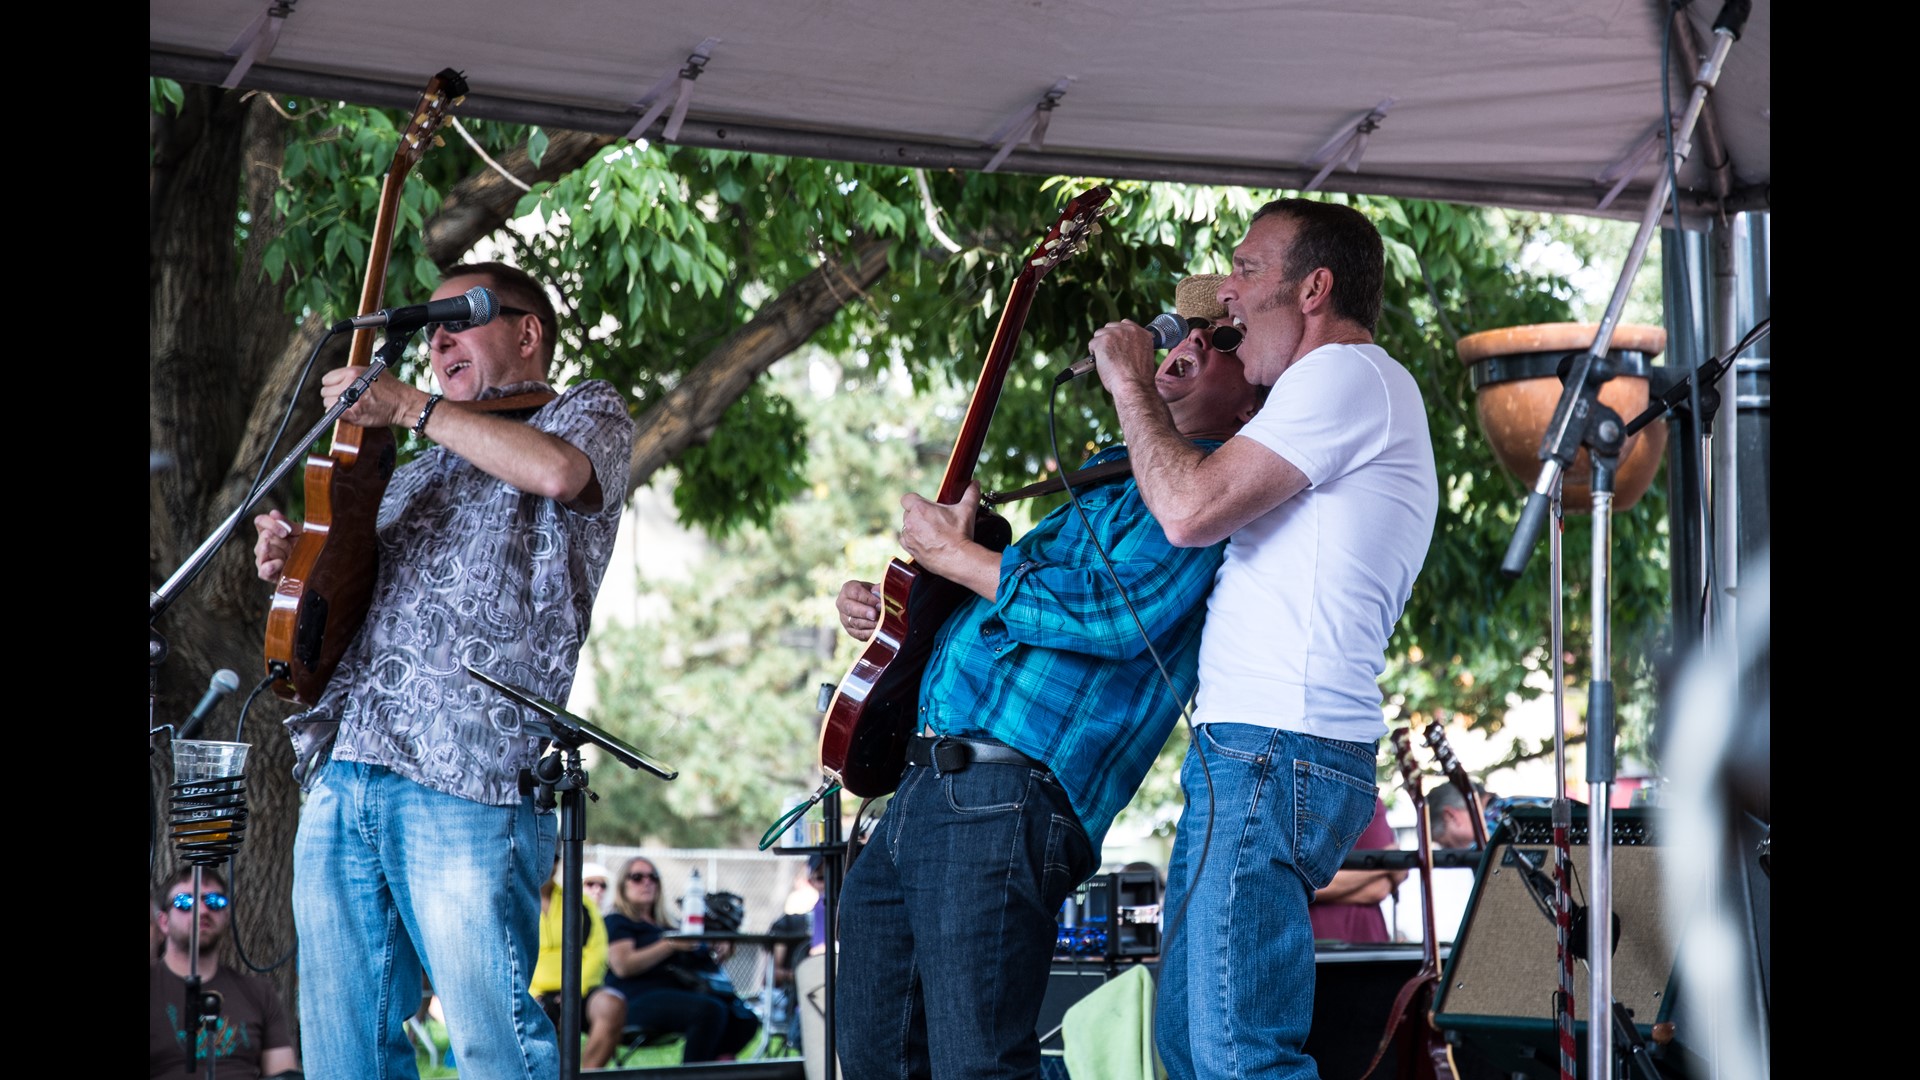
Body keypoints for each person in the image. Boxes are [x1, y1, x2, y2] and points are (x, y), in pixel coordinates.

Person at [830, 273, 1264, 1080]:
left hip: (1002, 796)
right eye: (1191, 329)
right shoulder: (1105, 483)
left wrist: (955, 555)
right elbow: (1010, 611)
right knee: (876, 1060)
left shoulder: (1201, 492)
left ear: (1253, 406)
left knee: (974, 1067)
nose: (1192, 340)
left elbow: (1107, 612)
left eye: (1226, 339)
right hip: (925, 788)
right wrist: (899, 608)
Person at [251, 260, 635, 1079]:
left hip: (472, 776)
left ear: (527, 333)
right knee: (344, 1048)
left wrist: (411, 408)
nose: (439, 340)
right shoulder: (416, 469)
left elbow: (560, 474)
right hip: (350, 759)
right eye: (432, 333)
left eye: (461, 318)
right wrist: (298, 562)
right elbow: (349, 599)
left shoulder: (586, 411)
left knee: (495, 1041)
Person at [1090, 198, 1440, 1079]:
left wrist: (1131, 385)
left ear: (1314, 287)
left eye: (1247, 271)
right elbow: (1194, 478)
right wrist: (1170, 404)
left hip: (1273, 743)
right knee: (1194, 1046)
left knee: (1237, 1053)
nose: (1228, 298)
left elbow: (1188, 509)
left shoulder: (1345, 375)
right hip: (1263, 746)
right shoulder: (1322, 399)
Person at [603, 856, 761, 1062]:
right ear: (623, 885)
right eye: (637, 877)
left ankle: (716, 1069)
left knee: (744, 1017)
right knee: (709, 1010)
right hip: (635, 999)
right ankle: (693, 1074)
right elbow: (623, 966)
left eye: (653, 877)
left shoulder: (671, 924)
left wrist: (717, 946)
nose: (647, 882)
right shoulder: (618, 921)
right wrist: (670, 945)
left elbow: (699, 958)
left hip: (679, 993)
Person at [150, 866, 300, 1080]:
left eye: (214, 901)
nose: (202, 910)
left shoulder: (258, 992)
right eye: (185, 902)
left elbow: (284, 1075)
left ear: (227, 916)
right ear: (163, 921)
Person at [533, 857, 629, 1070]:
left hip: (579, 990)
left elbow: (597, 951)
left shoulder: (579, 902)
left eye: (555, 857)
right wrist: (535, 992)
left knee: (612, 1004)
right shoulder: (514, 901)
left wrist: (572, 990)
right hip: (532, 993)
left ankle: (586, 1073)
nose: (550, 863)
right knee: (539, 1013)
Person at [1308, 796, 1405, 944]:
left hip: (1364, 941)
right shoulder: (1284, 798)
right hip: (1309, 942)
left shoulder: (1366, 799)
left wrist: (1307, 889)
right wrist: (1384, 864)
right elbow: (1286, 885)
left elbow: (1379, 888)